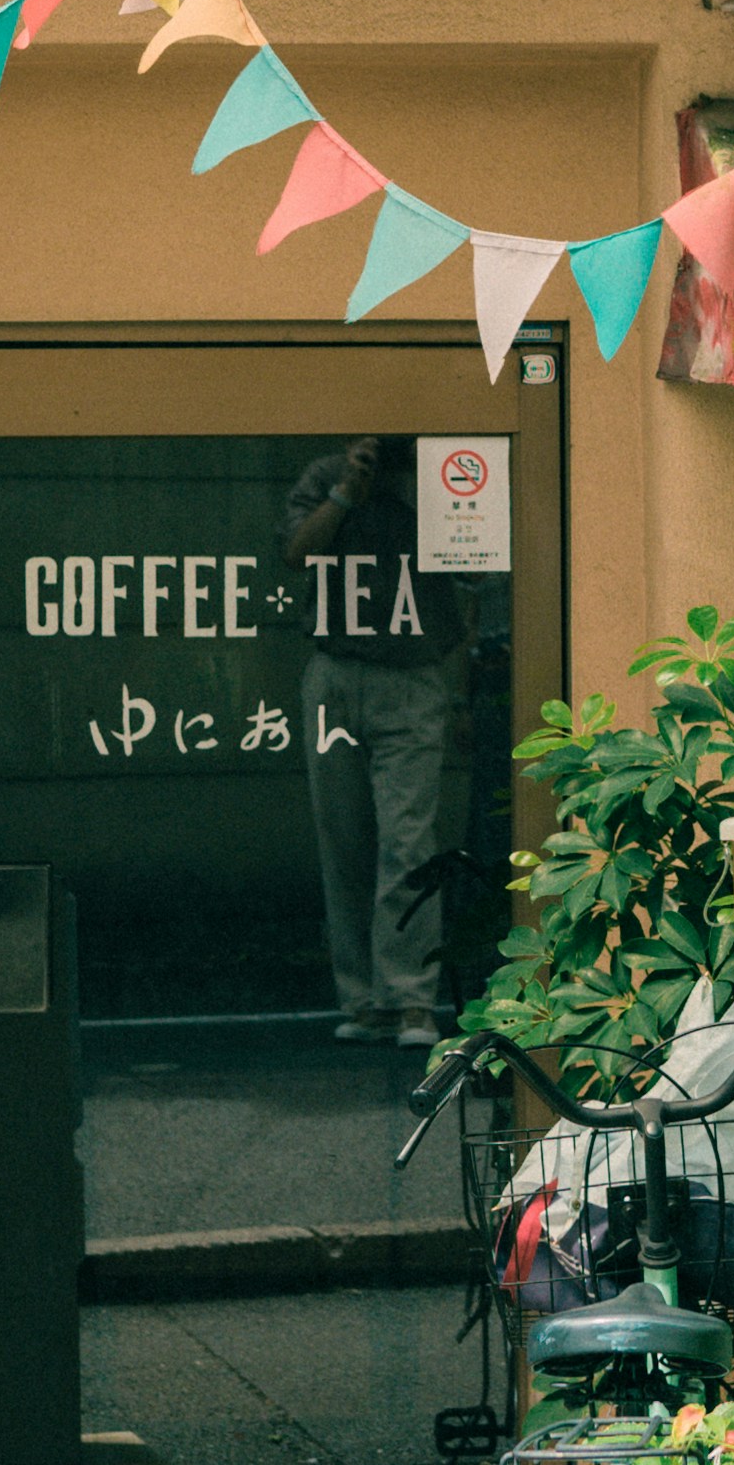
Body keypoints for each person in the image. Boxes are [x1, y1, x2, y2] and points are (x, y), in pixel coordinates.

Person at [284, 434, 470, 1049]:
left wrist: (415, 492)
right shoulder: (327, 474)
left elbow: (474, 566)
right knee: (343, 839)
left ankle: (411, 998)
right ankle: (363, 998)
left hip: (412, 672)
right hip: (336, 669)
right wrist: (346, 492)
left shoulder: (436, 476)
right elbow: (295, 551)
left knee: (408, 841)